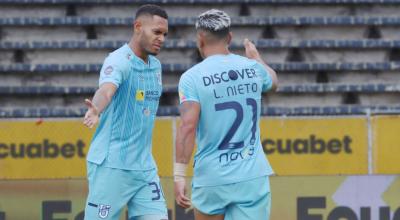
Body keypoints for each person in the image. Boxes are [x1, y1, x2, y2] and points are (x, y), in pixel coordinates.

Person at [174, 9, 278, 220]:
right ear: (229, 38)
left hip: (212, 176)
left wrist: (179, 174)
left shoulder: (191, 78)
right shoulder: (252, 68)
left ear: (200, 39)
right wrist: (257, 58)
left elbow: (188, 126)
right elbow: (274, 82)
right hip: (250, 175)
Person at [83, 4, 169, 220]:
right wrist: (97, 108)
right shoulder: (118, 60)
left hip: (144, 168)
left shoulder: (156, 66)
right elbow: (107, 89)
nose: (162, 39)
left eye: (165, 34)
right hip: (112, 166)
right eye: (157, 32)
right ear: (138, 26)